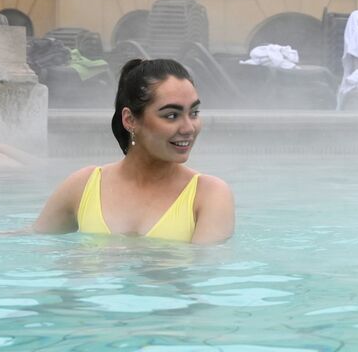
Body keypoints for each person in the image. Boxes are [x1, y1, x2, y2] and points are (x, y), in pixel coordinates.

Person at [31, 58, 235, 244]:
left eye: (194, 113)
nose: (189, 128)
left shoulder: (209, 194)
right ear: (130, 120)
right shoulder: (84, 185)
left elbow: (203, 273)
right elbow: (32, 245)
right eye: (172, 115)